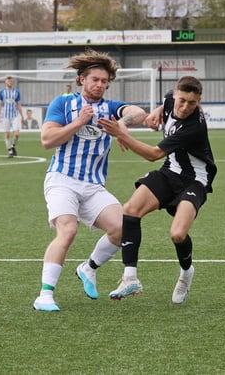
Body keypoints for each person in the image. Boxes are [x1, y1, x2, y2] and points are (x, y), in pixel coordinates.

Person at [32, 49, 146, 312]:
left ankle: (88, 267)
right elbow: (48, 140)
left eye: (104, 81)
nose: (100, 85)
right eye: (95, 79)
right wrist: (79, 122)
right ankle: (45, 295)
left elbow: (138, 112)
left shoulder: (111, 107)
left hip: (93, 185)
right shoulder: (62, 103)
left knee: (122, 228)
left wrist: (123, 124)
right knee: (68, 230)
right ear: (82, 79)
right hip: (62, 180)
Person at [98, 76, 217, 304]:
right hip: (170, 171)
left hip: (195, 181)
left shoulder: (194, 126)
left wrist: (122, 134)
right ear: (175, 94)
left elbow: (153, 155)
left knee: (177, 234)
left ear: (199, 102)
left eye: (192, 103)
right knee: (131, 209)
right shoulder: (170, 100)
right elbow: (166, 104)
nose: (185, 107)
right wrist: (157, 111)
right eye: (182, 100)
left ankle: (186, 273)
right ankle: (130, 277)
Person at [0, 76, 24, 157]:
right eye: (8, 81)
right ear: (5, 82)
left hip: (15, 115)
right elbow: (0, 105)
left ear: (13, 82)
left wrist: (22, 116)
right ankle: (10, 151)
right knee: (7, 135)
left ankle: (13, 146)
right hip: (6, 116)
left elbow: (18, 104)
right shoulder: (2, 92)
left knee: (17, 134)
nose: (10, 82)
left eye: (11, 81)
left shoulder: (16, 92)